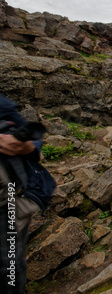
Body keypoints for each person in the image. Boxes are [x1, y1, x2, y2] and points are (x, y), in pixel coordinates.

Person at [0, 94, 54, 294]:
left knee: (11, 266)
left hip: (9, 200)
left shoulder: (3, 107)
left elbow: (35, 145)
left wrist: (26, 146)